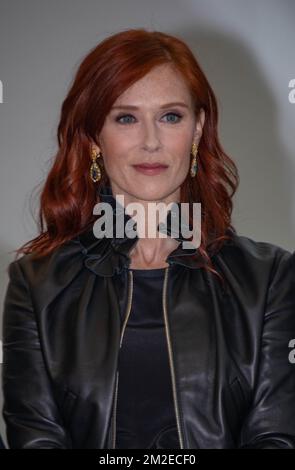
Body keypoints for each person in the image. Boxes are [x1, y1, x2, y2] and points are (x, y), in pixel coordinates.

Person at [2, 28, 295, 449]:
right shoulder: (36, 285)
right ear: (93, 139)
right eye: (126, 118)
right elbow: (37, 439)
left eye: (170, 116)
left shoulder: (270, 278)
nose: (151, 141)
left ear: (197, 131)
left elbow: (276, 437)